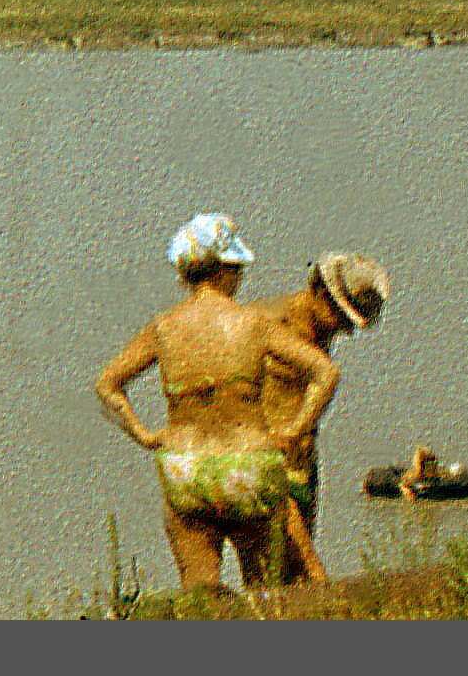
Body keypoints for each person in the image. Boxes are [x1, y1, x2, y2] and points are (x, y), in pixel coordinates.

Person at [94, 212, 342, 593]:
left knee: (200, 592)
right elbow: (325, 373)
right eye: (238, 269)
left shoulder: (164, 327)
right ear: (226, 269)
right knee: (264, 593)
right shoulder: (254, 323)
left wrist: (144, 435)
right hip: (248, 465)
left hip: (185, 467)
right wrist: (295, 429)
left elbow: (108, 385)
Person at [261, 250, 391, 559]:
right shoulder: (267, 323)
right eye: (343, 317)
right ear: (320, 291)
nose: (346, 330)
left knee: (295, 576)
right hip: (265, 460)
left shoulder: (322, 329)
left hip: (303, 461)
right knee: (293, 565)